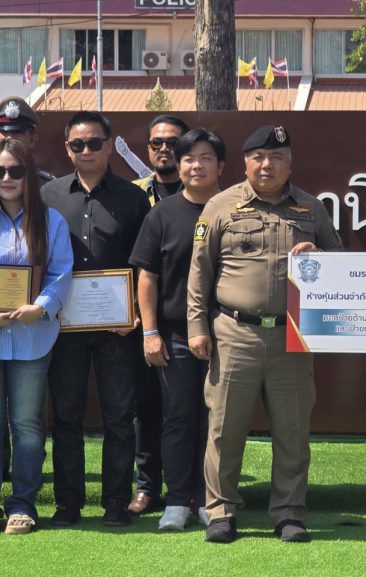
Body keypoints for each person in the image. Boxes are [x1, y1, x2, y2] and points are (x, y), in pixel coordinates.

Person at [187, 124, 342, 544]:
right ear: (245, 163)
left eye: (276, 157)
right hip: (234, 333)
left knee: (292, 432)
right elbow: (199, 274)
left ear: (290, 163)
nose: (266, 165)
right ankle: (221, 512)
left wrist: (319, 256)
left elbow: (340, 263)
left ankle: (289, 513)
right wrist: (197, 327)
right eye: (258, 157)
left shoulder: (311, 208)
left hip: (292, 337)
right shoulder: (220, 206)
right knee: (224, 429)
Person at [0, 139, 73, 536]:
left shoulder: (51, 221)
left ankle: (23, 504)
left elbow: (61, 272)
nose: (6, 178)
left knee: (26, 424)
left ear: (29, 176)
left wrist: (42, 306)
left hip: (32, 337)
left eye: (15, 171)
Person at [42, 111, 149, 527]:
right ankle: (68, 503)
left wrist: (135, 309)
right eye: (77, 144)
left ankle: (116, 502)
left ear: (109, 145)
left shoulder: (133, 198)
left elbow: (145, 262)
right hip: (63, 325)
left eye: (93, 143)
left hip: (117, 327)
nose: (85, 150)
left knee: (119, 417)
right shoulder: (49, 196)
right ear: (67, 148)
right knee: (66, 417)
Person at [130, 129, 224, 530]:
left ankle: (210, 498)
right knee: (178, 417)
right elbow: (147, 276)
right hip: (175, 336)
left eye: (205, 158)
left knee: (216, 421)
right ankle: (178, 499)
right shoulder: (161, 214)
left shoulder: (233, 210)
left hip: (227, 334)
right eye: (189, 159)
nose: (196, 165)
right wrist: (150, 332)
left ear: (221, 165)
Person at [128, 114, 190, 517]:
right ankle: (148, 487)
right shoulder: (132, 195)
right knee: (146, 406)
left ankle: (193, 488)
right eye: (156, 143)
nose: (164, 148)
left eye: (173, 142)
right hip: (141, 320)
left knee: (190, 409)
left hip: (189, 319)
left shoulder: (204, 194)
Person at [0, 96, 54, 201]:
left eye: (17, 132)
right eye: (4, 132)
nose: (9, 138)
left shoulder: (48, 186)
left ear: (32, 140)